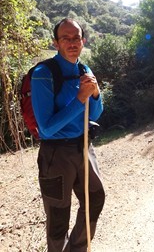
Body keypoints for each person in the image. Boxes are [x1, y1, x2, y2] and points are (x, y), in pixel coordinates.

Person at [31, 18, 105, 252]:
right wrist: (81, 98)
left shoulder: (84, 69)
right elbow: (46, 128)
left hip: (83, 147)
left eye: (76, 38)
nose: (72, 42)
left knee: (95, 199)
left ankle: (78, 248)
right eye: (66, 38)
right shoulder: (43, 74)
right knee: (58, 217)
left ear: (83, 41)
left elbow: (96, 112)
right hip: (55, 154)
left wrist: (94, 95)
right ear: (56, 43)